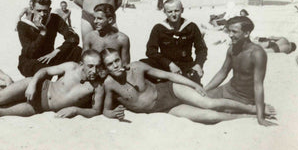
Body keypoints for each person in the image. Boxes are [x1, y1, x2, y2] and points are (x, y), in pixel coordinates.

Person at [101, 48, 276, 125]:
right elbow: (106, 110)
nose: (115, 66)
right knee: (208, 116)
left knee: (210, 103)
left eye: (117, 60)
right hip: (161, 109)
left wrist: (195, 85)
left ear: (121, 60)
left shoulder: (137, 67)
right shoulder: (109, 84)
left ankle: (254, 109)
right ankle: (247, 117)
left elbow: (168, 75)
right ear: (106, 68)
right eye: (110, 64)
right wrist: (111, 114)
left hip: (170, 90)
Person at [0, 50, 105, 118]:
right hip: (37, 86)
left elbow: (96, 110)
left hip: (38, 108)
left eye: (97, 66)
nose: (94, 70)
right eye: (90, 66)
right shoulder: (71, 67)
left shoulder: (97, 87)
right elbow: (45, 71)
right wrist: (33, 83)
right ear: (82, 64)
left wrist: (76, 110)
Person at [204, 16, 277, 126]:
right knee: (199, 100)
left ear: (246, 34)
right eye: (229, 31)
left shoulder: (257, 54)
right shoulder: (232, 48)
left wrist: (260, 118)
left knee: (212, 108)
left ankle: (252, 109)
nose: (230, 35)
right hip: (228, 89)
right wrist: (204, 90)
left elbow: (258, 85)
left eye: (234, 32)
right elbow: (222, 72)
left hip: (244, 99)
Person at [141, 0, 207, 85]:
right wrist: (169, 64)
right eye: (170, 12)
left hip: (185, 64)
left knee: (193, 81)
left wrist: (198, 64)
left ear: (182, 10)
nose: (174, 14)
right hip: (165, 65)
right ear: (164, 12)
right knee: (142, 64)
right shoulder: (159, 28)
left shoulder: (191, 27)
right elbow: (151, 51)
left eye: (177, 11)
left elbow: (201, 49)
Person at [17, 0, 82, 77]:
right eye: (39, 10)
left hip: (50, 57)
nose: (42, 14)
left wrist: (57, 51)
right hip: (31, 61)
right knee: (41, 70)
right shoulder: (23, 25)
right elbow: (30, 53)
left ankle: (62, 83)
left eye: (45, 11)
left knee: (76, 51)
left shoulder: (54, 19)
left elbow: (73, 37)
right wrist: (42, 33)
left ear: (50, 10)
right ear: (32, 9)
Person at [83, 3, 130, 74]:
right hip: (95, 74)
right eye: (94, 18)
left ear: (110, 20)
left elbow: (125, 65)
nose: (95, 21)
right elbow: (85, 63)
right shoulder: (89, 37)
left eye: (99, 18)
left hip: (114, 75)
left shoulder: (122, 39)